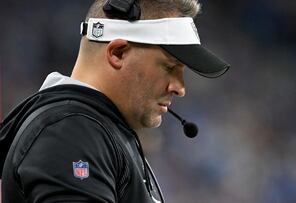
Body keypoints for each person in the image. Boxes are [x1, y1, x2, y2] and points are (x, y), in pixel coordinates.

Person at [0, 0, 229, 202]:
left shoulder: (96, 130)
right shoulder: (72, 132)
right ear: (118, 53)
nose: (180, 88)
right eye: (169, 67)